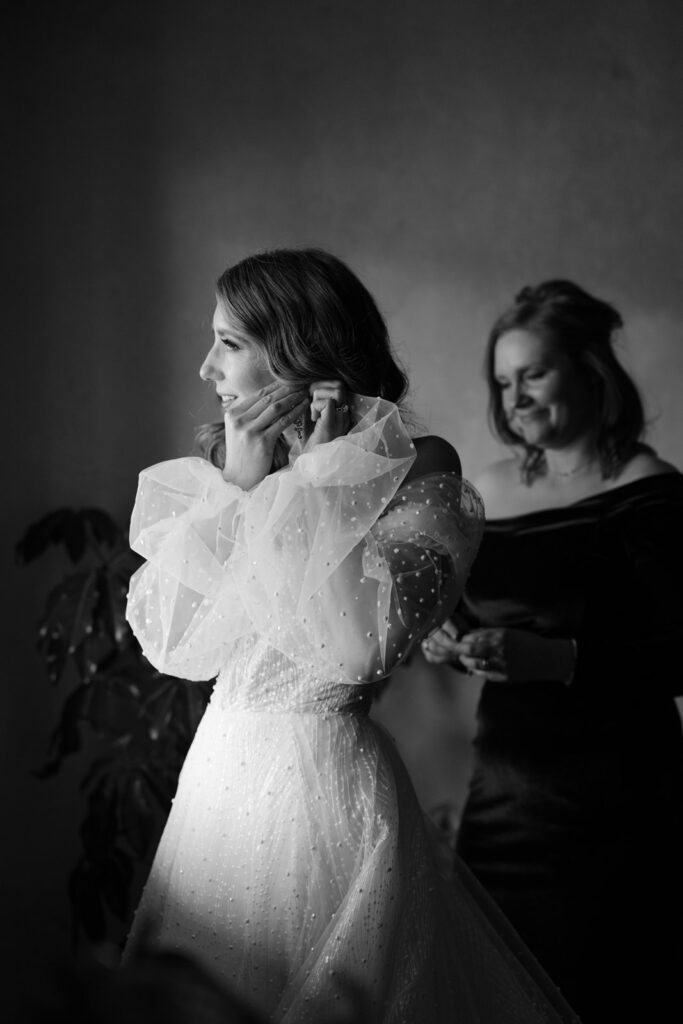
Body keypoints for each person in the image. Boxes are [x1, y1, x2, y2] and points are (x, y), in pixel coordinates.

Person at [124, 250, 580, 1023]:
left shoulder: (419, 464)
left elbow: (356, 647)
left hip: (322, 786)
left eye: (229, 343)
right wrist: (239, 487)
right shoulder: (240, 463)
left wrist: (325, 475)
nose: (206, 367)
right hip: (217, 784)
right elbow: (173, 644)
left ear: (297, 345)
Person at [422, 279, 683, 1023]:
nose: (515, 399)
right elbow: (470, 615)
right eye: (503, 383)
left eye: (532, 374)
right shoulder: (488, 493)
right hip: (504, 800)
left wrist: (562, 660)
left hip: (620, 805)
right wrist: (447, 639)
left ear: (589, 370)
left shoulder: (651, 493)